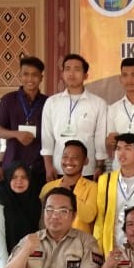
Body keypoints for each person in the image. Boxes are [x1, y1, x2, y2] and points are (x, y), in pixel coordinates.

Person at [41, 53, 108, 181]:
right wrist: (48, 166)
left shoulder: (98, 103)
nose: (71, 73)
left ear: (85, 75)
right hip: (58, 168)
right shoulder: (52, 102)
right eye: (67, 69)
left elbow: (100, 138)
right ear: (62, 74)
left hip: (87, 169)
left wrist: (100, 166)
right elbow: (47, 137)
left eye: (77, 69)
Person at [0, 56, 48, 189]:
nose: (30, 79)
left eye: (34, 75)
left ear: (41, 78)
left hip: (38, 165)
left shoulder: (48, 102)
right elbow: (0, 132)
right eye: (25, 74)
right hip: (13, 164)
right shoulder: (8, 100)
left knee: (36, 200)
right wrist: (16, 134)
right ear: (20, 76)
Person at [40, 140, 98, 234]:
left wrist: (70, 194)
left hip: (80, 240)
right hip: (53, 240)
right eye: (65, 156)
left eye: (75, 157)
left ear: (85, 161)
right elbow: (42, 220)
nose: (69, 161)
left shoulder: (93, 187)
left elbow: (89, 217)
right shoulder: (48, 187)